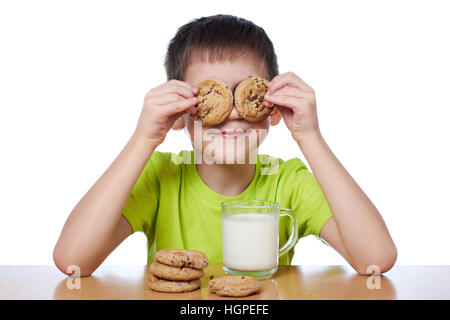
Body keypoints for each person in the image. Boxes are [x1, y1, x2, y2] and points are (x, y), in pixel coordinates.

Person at [53, 14, 397, 277]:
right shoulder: (161, 178)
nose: (232, 112)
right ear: (179, 113)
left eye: (245, 93)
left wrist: (310, 137)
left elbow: (375, 261)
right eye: (211, 95)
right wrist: (143, 139)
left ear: (272, 108)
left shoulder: (288, 181)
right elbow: (72, 262)